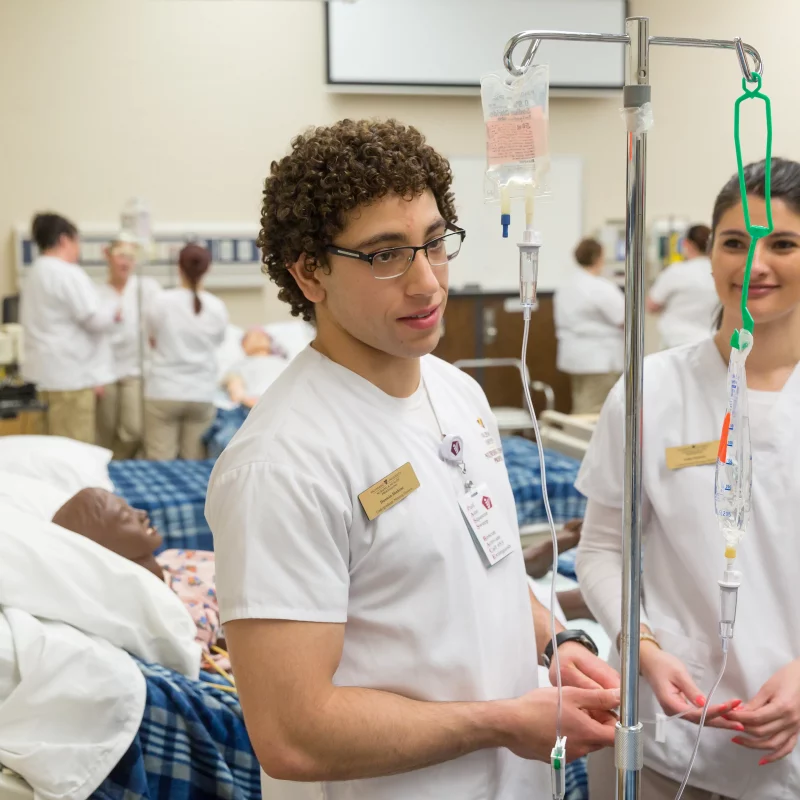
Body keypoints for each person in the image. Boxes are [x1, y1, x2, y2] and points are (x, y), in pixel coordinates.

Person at [205, 119, 621, 800]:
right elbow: (292, 734)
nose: (427, 283)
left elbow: (484, 571)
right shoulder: (282, 464)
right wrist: (501, 723)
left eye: (434, 244)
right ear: (310, 271)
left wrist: (558, 647)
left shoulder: (457, 393)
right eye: (386, 255)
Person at [576, 157, 800, 799]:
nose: (754, 265)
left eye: (782, 244)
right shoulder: (652, 389)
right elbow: (603, 548)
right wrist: (642, 648)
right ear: (710, 253)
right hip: (675, 747)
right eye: (736, 242)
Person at [20, 213, 121, 443]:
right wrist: (114, 311)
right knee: (74, 451)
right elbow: (93, 319)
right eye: (78, 242)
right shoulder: (67, 273)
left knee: (46, 450)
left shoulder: (35, 271)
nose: (79, 249)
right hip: (69, 381)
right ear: (65, 240)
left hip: (42, 378)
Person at [144, 244, 228, 460]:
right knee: (194, 466)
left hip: (164, 391)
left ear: (178, 267)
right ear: (207, 270)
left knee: (160, 465)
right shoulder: (217, 307)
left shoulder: (160, 302)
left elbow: (151, 339)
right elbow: (218, 342)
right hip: (200, 394)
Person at [95, 236, 162, 459]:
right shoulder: (97, 294)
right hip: (105, 373)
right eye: (120, 256)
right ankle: (104, 471)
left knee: (132, 430)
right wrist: (94, 376)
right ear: (108, 256)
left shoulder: (147, 288)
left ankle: (115, 464)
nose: (125, 262)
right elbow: (92, 339)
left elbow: (161, 321)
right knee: (104, 431)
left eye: (130, 258)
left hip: (135, 370)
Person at [553, 238, 625, 414]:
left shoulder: (567, 285)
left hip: (575, 356)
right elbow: (624, 318)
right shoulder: (599, 287)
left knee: (581, 403)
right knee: (592, 410)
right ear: (598, 258)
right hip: (598, 359)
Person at [647, 224, 718, 350]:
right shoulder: (720, 273)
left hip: (676, 342)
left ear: (686, 244)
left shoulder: (675, 271)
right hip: (710, 342)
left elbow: (652, 305)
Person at [222, 326, 288, 409]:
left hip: (284, 404)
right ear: (243, 345)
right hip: (254, 407)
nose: (258, 337)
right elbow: (237, 393)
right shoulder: (238, 366)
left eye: (262, 335)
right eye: (251, 336)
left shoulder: (285, 364)